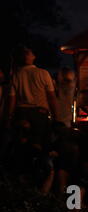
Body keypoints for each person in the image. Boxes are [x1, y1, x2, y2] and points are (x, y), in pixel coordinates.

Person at [6, 46, 57, 193]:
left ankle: (22, 186)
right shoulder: (43, 73)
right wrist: (56, 117)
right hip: (39, 116)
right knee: (42, 150)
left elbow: (11, 99)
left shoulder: (16, 75)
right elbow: (52, 98)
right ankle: (42, 186)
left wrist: (8, 119)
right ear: (31, 57)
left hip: (21, 115)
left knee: (22, 150)